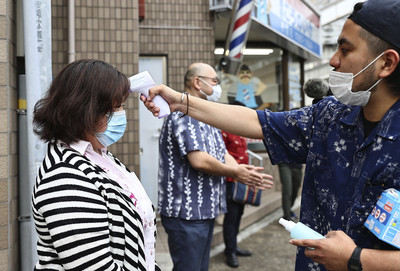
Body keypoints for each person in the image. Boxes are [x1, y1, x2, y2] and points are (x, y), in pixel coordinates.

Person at [142, 1, 400, 270]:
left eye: (345, 50)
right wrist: (181, 102)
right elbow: (257, 121)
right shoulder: (331, 116)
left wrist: (356, 259)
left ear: (386, 63)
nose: (334, 60)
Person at [32, 59, 159, 271]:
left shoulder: (98, 155)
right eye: (114, 108)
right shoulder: (65, 179)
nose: (121, 114)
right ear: (84, 110)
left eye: (121, 106)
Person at [157, 62, 273, 271]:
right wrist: (235, 172)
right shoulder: (185, 113)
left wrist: (241, 171)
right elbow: (199, 160)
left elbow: (222, 152)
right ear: (197, 83)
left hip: (204, 211)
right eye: (214, 82)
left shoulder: (205, 115)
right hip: (187, 213)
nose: (217, 87)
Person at [221, 115, 253, 268]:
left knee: (239, 214)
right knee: (231, 217)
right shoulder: (225, 132)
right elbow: (222, 156)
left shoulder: (239, 132)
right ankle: (229, 251)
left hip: (242, 180)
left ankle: (234, 246)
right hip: (230, 180)